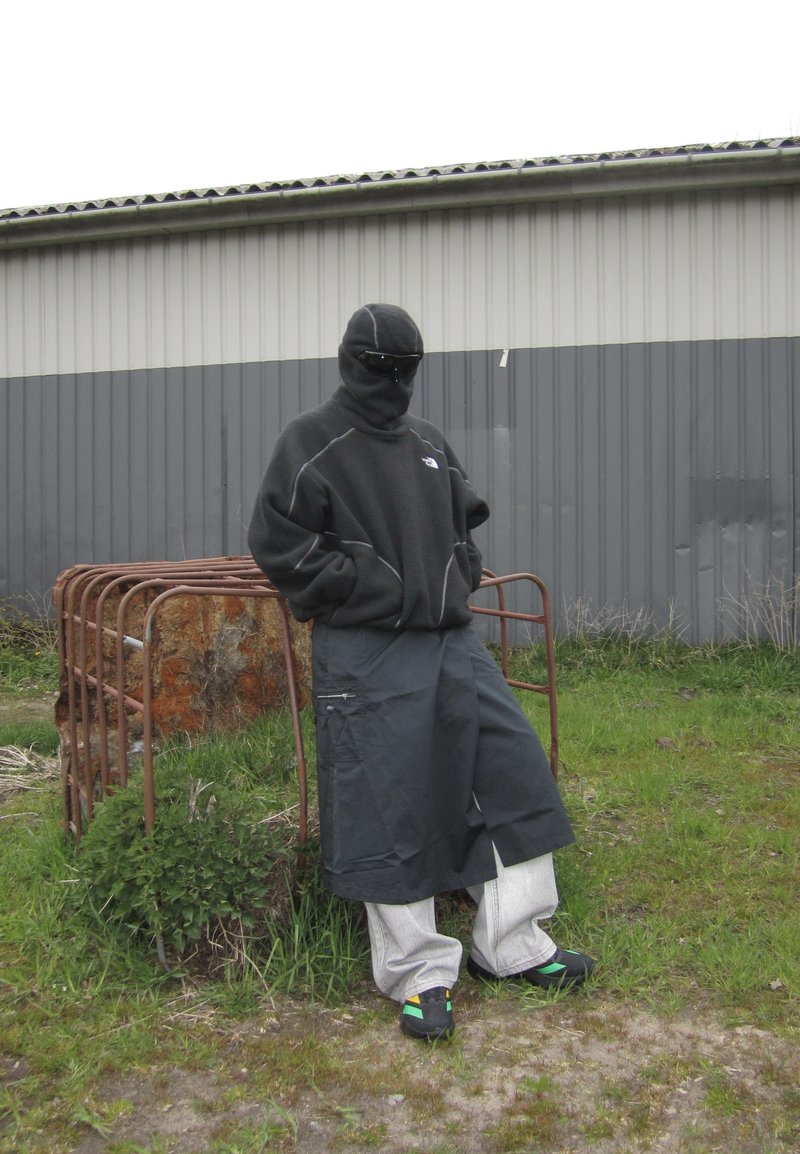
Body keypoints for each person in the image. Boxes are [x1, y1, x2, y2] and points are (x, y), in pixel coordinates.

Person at [248, 303, 594, 1041]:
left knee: (511, 772)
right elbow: (279, 545)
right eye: (381, 368)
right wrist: (372, 586)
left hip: (450, 641)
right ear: (351, 363)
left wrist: (452, 578)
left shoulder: (428, 443)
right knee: (389, 803)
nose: (392, 381)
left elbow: (464, 527)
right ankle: (419, 975)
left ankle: (513, 945)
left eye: (404, 370)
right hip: (365, 650)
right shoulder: (311, 442)